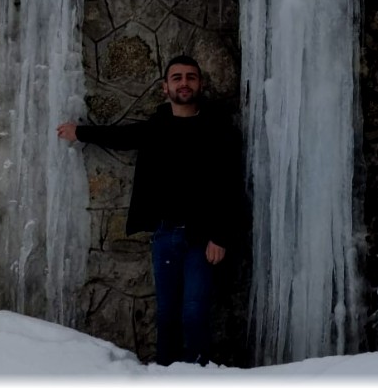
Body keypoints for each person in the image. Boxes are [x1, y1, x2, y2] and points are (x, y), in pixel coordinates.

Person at [57, 55, 243, 367]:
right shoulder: (157, 127)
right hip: (166, 235)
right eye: (177, 78)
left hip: (203, 239)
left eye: (191, 77)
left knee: (194, 312)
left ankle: (198, 375)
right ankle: (165, 374)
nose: (184, 83)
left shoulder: (219, 129)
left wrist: (221, 237)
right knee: (167, 313)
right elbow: (120, 137)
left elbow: (231, 188)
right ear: (165, 88)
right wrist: (81, 132)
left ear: (200, 84)